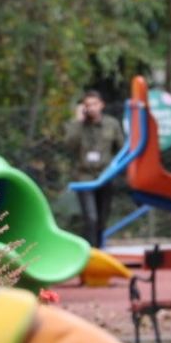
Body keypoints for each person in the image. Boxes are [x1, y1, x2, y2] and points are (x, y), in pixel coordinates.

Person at [64, 90, 125, 245]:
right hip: (85, 178)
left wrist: (116, 169)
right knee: (91, 218)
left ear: (101, 105)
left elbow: (121, 148)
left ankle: (98, 250)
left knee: (101, 220)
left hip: (105, 177)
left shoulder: (112, 124)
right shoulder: (79, 125)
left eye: (94, 104)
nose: (91, 108)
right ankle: (91, 253)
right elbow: (69, 145)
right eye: (87, 105)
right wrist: (78, 121)